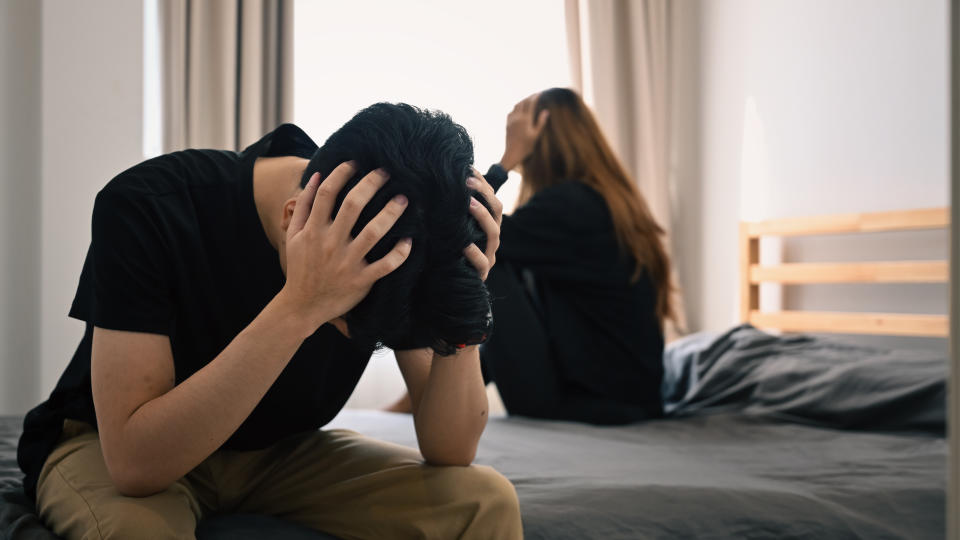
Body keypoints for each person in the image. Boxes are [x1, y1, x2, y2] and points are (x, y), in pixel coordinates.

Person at [17, 103, 522, 539]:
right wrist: (302, 305)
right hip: (117, 443)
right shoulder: (149, 205)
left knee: (484, 500)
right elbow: (134, 465)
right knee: (137, 531)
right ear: (292, 218)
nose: (348, 338)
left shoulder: (401, 232)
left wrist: (462, 302)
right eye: (343, 317)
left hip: (279, 451)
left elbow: (451, 448)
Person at [389, 88, 675, 425]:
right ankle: (422, 398)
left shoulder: (575, 205)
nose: (511, 121)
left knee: (483, 253)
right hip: (614, 401)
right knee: (490, 255)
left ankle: (420, 397)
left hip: (599, 406)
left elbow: (463, 226)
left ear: (545, 126)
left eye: (521, 114)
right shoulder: (591, 202)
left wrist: (506, 160)